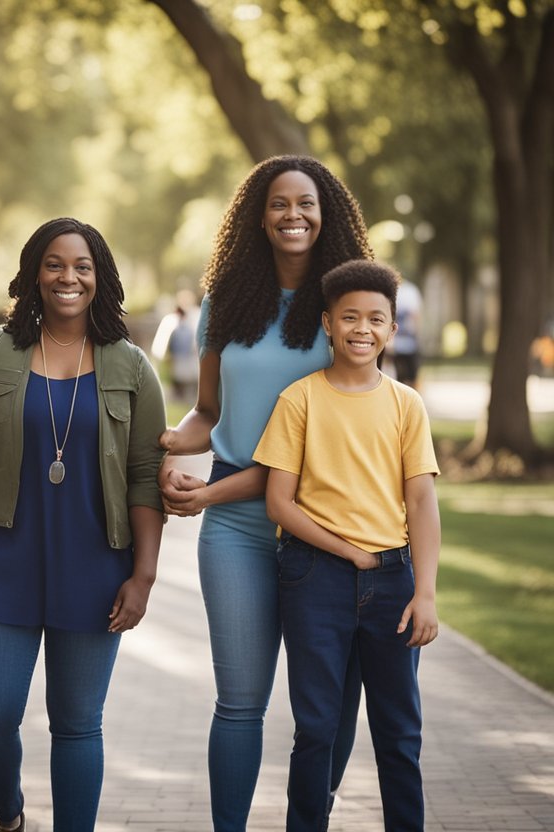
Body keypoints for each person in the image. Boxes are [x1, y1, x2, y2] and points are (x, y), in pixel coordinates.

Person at [0, 217, 167, 831]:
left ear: (100, 279)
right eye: (54, 264)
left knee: (78, 723)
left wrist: (144, 577)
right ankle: (11, 816)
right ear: (32, 275)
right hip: (4, 563)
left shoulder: (130, 367)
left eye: (82, 266)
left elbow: (147, 476)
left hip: (98, 573)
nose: (67, 277)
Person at [156, 155, 373, 831]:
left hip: (328, 523)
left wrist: (212, 494)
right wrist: (160, 446)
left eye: (306, 204)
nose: (293, 215)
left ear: (327, 213)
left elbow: (331, 441)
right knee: (239, 702)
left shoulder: (349, 309)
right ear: (258, 215)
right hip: (236, 533)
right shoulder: (225, 302)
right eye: (279, 203)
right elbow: (210, 413)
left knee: (332, 705)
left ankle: (311, 818)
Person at [255, 260, 441, 831]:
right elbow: (279, 503)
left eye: (376, 319)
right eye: (351, 317)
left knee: (399, 731)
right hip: (313, 579)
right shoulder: (300, 400)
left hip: (393, 583)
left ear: (391, 329)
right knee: (316, 727)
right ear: (328, 324)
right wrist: (349, 552)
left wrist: (426, 593)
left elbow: (421, 503)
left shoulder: (406, 405)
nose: (363, 328)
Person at [150, 289, 201, 402]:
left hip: (194, 368)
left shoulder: (198, 317)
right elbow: (159, 347)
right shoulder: (171, 320)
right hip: (175, 367)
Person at [388, 277, 423, 387]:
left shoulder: (406, 291)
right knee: (409, 373)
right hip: (403, 340)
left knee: (400, 374)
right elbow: (416, 316)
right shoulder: (411, 291)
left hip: (400, 340)